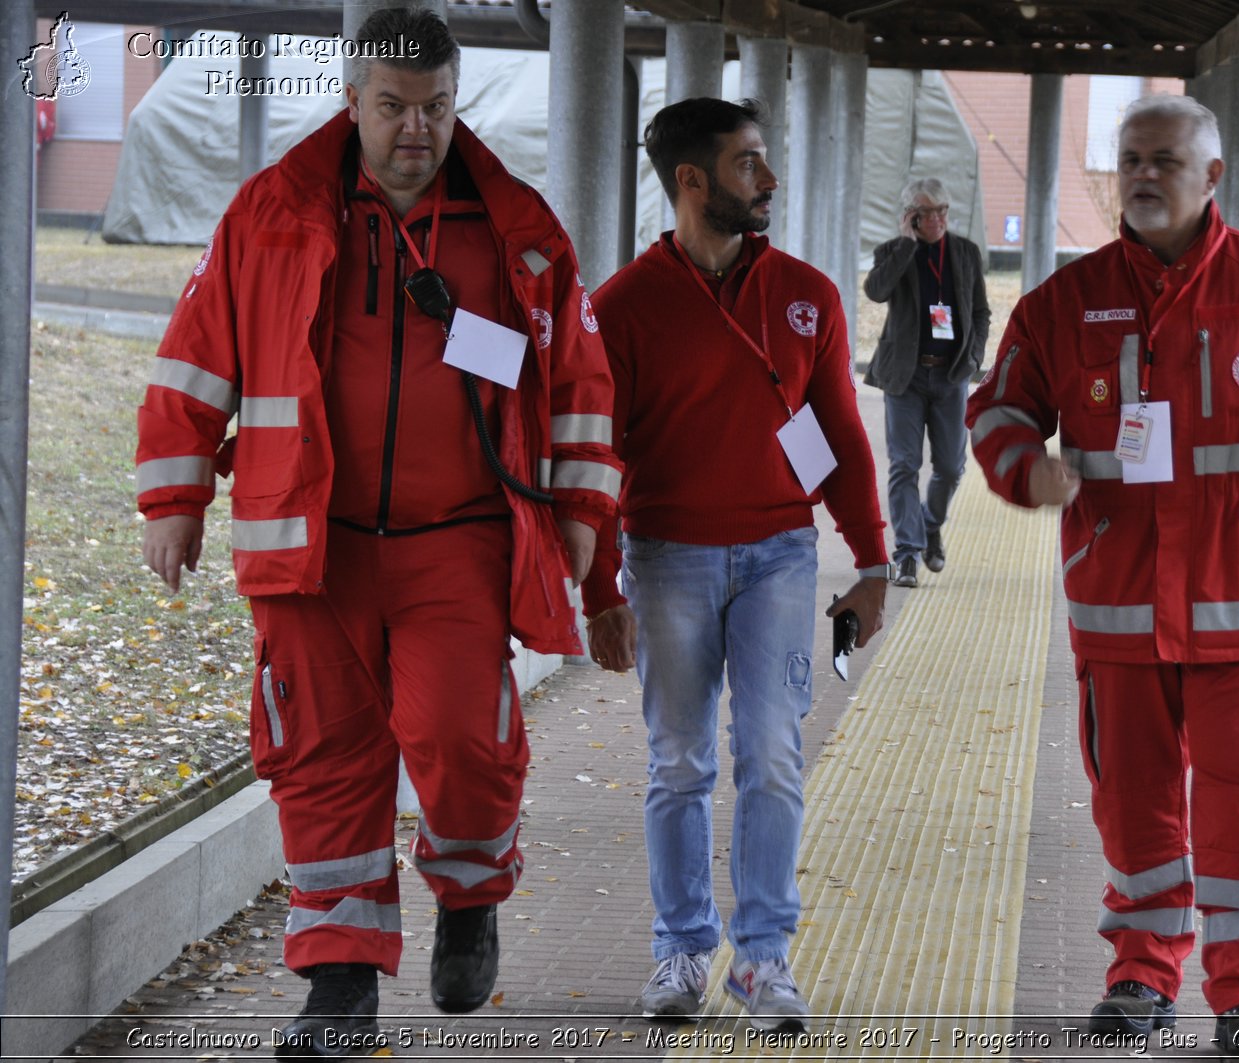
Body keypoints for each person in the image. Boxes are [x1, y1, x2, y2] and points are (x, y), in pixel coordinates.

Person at [134, 8, 619, 1056]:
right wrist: (173, 500)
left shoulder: (516, 229)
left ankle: (469, 897)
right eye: (393, 106)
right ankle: (338, 985)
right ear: (351, 100)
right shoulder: (270, 216)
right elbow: (192, 361)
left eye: (436, 107)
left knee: (461, 739)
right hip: (312, 548)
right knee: (322, 761)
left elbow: (579, 384)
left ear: (457, 103)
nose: (416, 128)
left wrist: (580, 510)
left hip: (458, 540)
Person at [966, 94, 1239, 1055]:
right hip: (1117, 603)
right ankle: (1140, 976)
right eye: (1129, 158)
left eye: (1165, 159)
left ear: (1212, 177)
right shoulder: (1065, 301)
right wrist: (1024, 471)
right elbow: (996, 409)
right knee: (1134, 799)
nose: (1143, 175)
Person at [581, 97, 891, 1034]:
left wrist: (873, 561)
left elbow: (837, 431)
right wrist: (602, 593)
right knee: (679, 761)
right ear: (692, 181)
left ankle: (761, 960)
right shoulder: (623, 307)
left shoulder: (807, 292)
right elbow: (598, 456)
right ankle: (681, 947)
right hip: (666, 556)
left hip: (780, 559)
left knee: (771, 752)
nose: (768, 179)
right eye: (749, 163)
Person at [862, 178, 991, 588]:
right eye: (926, 212)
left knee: (952, 466)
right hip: (907, 374)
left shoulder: (966, 253)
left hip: (951, 374)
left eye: (942, 211)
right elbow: (876, 291)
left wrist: (973, 359)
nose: (936, 220)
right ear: (911, 217)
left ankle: (929, 525)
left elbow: (982, 311)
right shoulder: (894, 252)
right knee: (904, 465)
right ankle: (907, 553)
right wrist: (905, 245)